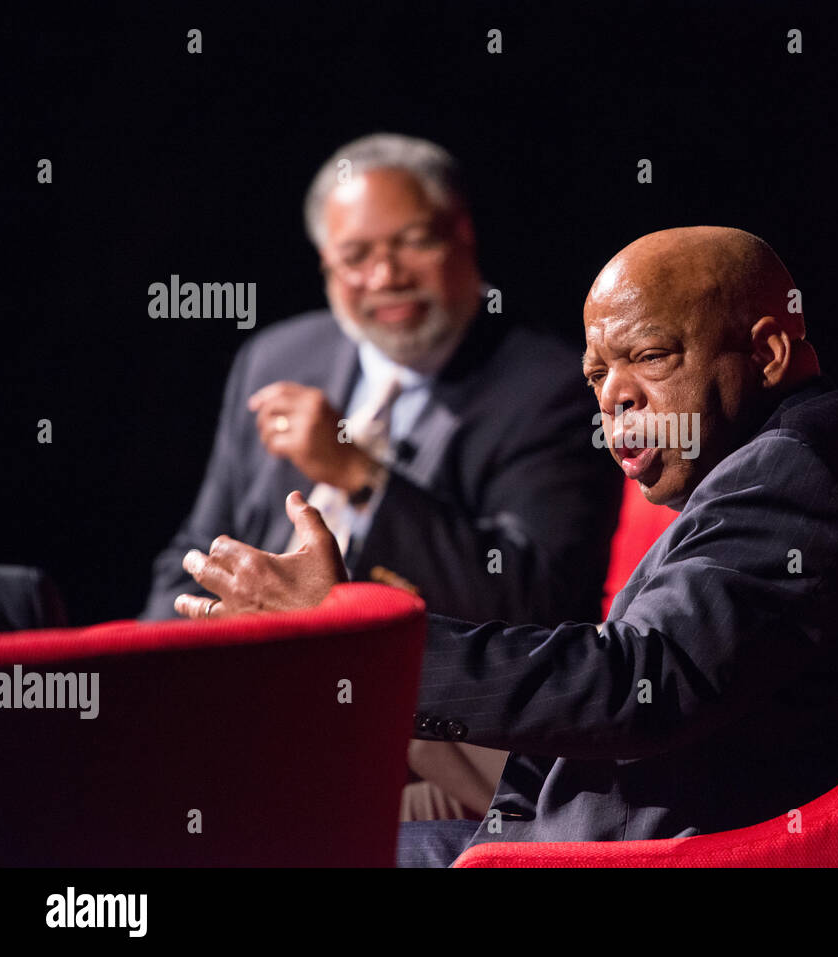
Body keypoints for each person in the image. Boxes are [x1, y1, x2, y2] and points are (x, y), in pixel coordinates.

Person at [176, 226, 838, 867]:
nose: (614, 395)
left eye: (650, 356)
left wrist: (354, 627)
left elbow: (638, 681)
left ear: (767, 354)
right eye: (596, 375)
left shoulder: (797, 470)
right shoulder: (798, 454)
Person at [143, 133, 622, 821]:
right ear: (326, 265)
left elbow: (535, 597)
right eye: (357, 256)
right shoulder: (279, 356)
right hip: (235, 688)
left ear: (462, 234)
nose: (385, 275)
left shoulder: (546, 386)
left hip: (409, 723)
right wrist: (142, 677)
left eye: (412, 243)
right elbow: (193, 551)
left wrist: (361, 474)